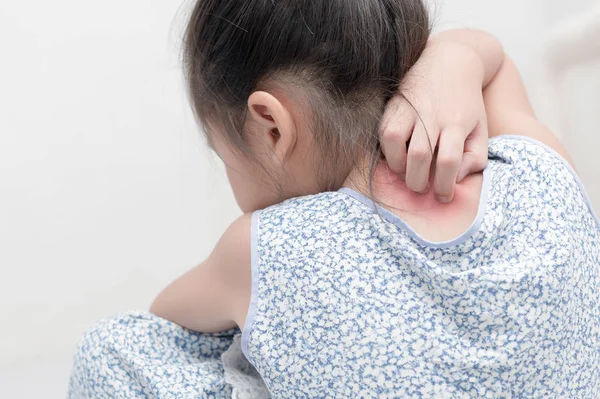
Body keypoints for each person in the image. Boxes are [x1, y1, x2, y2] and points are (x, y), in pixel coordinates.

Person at [69, 0, 600, 397]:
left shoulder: (263, 250)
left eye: (223, 154)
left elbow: (165, 324)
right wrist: (456, 54)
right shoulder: (542, 174)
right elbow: (497, 62)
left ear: (271, 127)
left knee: (116, 348)